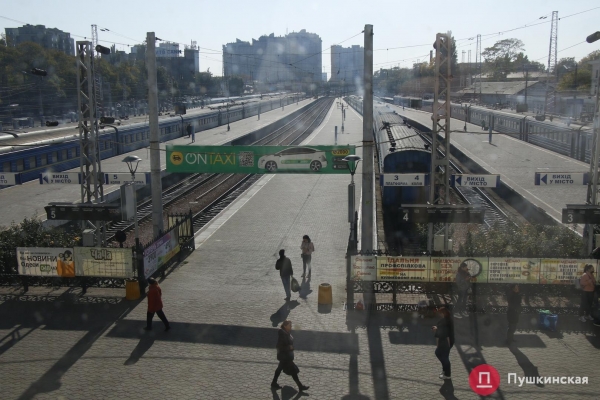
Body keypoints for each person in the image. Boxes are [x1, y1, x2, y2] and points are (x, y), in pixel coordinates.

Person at [271, 320, 309, 391]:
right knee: (293, 371)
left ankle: (274, 382)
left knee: (279, 369)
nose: (291, 326)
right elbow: (279, 346)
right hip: (284, 357)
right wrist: (289, 347)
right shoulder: (282, 335)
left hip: (286, 356)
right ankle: (300, 386)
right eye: (289, 325)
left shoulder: (287, 333)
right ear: (285, 326)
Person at [432, 307, 454, 380]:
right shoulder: (447, 319)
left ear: (443, 313)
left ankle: (447, 374)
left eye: (440, 313)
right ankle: (445, 371)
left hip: (445, 343)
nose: (439, 315)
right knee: (444, 357)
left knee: (442, 356)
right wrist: (437, 328)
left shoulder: (445, 321)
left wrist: (438, 345)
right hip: (448, 342)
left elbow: (444, 333)